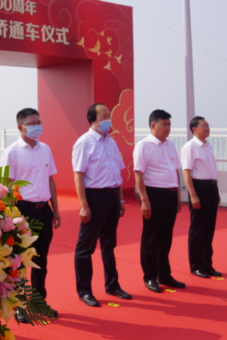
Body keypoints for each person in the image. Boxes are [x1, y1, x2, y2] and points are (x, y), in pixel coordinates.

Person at [0, 108, 61, 321]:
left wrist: (56, 210)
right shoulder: (12, 152)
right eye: (32, 123)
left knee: (40, 260)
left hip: (44, 210)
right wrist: (11, 218)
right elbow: (6, 186)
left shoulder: (46, 149)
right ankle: (19, 306)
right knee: (19, 261)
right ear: (20, 127)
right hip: (22, 211)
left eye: (39, 122)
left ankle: (38, 302)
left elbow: (51, 181)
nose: (37, 126)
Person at [72, 103, 130, 307]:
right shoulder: (84, 142)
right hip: (94, 197)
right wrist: (83, 205)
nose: (108, 119)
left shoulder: (111, 142)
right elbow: (78, 176)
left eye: (109, 115)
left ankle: (112, 285)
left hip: (112, 197)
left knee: (109, 244)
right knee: (85, 247)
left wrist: (120, 199)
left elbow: (118, 173)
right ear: (93, 120)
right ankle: (84, 290)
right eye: (104, 116)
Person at [134, 109, 185, 293]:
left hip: (170, 194)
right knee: (151, 237)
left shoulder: (170, 144)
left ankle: (164, 274)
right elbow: (138, 173)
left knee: (165, 236)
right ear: (153, 125)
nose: (168, 128)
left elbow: (175, 170)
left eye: (169, 124)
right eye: (164, 124)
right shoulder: (143, 146)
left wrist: (178, 195)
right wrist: (144, 200)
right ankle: (150, 277)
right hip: (153, 194)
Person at [181, 116, 222, 279]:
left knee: (209, 228)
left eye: (207, 125)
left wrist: (216, 192)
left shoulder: (208, 146)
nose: (207, 128)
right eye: (203, 125)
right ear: (194, 129)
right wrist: (193, 195)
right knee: (198, 228)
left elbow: (210, 170)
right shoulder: (190, 147)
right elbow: (186, 172)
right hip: (199, 188)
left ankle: (207, 264)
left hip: (211, 187)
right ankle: (196, 265)